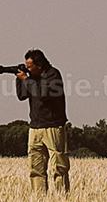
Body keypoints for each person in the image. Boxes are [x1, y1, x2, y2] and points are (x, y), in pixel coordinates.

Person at [15, 49, 70, 193]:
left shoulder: (53, 75)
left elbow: (42, 94)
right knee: (36, 168)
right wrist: (19, 79)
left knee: (58, 167)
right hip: (35, 127)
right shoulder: (32, 78)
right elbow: (21, 95)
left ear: (39, 65)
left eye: (29, 66)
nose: (27, 68)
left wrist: (26, 79)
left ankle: (62, 199)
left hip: (53, 126)